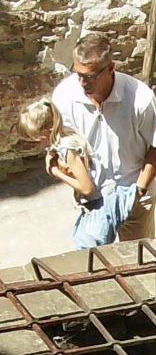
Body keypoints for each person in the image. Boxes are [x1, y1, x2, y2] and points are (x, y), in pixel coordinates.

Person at [52, 33, 156, 240]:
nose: (82, 82)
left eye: (90, 76)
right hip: (94, 198)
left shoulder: (140, 99)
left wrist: (139, 191)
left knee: (138, 258)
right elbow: (66, 146)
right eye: (78, 73)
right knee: (94, 261)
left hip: (134, 194)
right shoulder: (63, 97)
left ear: (111, 68)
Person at [17, 97, 138, 250]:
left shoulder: (67, 150)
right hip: (98, 198)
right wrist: (50, 153)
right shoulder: (65, 133)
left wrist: (56, 172)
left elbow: (87, 188)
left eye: (37, 141)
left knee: (87, 249)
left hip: (102, 200)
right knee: (81, 238)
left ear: (48, 132)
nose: (37, 146)